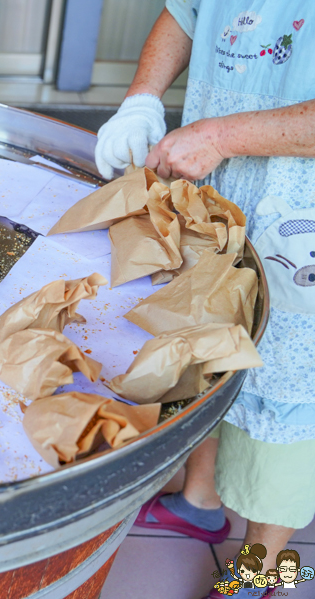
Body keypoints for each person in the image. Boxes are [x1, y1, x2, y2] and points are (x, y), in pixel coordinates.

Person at [94, 3, 315, 598]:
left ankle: (256, 572)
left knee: (287, 403)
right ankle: (200, 502)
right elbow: (186, 12)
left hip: (301, 228)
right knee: (208, 353)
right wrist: (142, 98)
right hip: (218, 195)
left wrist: (220, 134)